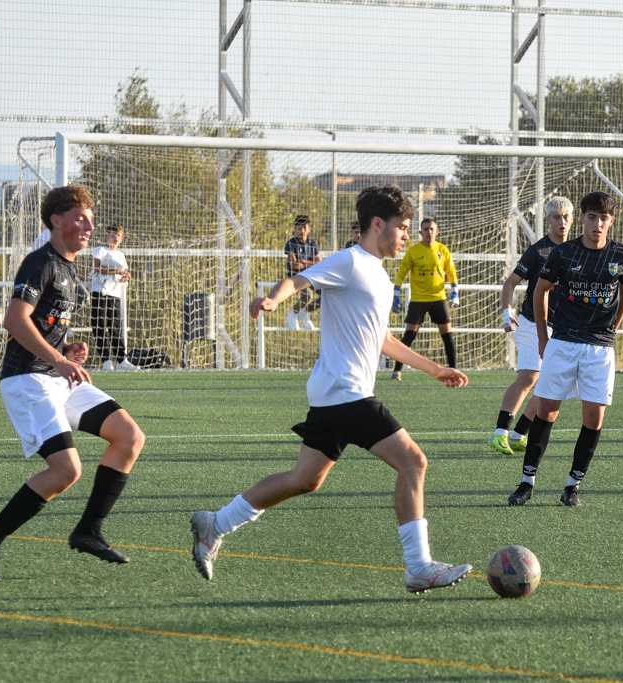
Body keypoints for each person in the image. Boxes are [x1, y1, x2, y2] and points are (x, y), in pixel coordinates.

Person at [190, 186, 472, 593]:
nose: (407, 235)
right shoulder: (350, 261)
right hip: (347, 393)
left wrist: (434, 370)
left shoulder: (376, 270)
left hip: (333, 394)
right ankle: (418, 565)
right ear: (378, 225)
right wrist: (272, 301)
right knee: (414, 463)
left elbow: (383, 339)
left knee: (305, 478)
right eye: (403, 227)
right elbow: (298, 279)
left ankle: (214, 524)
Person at [0, 185, 146, 579]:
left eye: (90, 217)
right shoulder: (40, 262)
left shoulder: (71, 270)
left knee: (129, 436)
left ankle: (88, 531)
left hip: (55, 375)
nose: (88, 225)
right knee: (66, 470)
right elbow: (15, 321)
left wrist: (69, 351)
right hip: (27, 380)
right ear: (56, 220)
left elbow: (45, 328)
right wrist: (60, 359)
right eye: (79, 217)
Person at [507, 191, 623, 508]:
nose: (598, 224)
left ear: (611, 221)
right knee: (546, 411)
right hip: (562, 343)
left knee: (594, 418)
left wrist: (613, 328)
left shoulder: (622, 256)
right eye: (592, 217)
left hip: (599, 350)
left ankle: (572, 485)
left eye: (604, 218)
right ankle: (526, 482)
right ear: (584, 218)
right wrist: (541, 335)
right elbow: (540, 291)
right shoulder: (564, 253)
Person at [488, 196, 573, 456]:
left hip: (561, 329)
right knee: (529, 376)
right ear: (547, 220)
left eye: (566, 217)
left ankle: (518, 434)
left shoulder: (576, 251)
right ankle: (500, 432)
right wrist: (506, 313)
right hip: (531, 323)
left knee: (551, 383)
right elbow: (510, 283)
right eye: (557, 217)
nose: (562, 222)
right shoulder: (538, 251)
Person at [390, 218, 459, 380]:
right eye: (425, 229)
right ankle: (397, 370)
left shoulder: (443, 250)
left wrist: (455, 290)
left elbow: (451, 271)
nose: (429, 232)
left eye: (431, 229)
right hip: (418, 300)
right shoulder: (413, 251)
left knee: (447, 336)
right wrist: (396, 292)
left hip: (439, 298)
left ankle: (454, 371)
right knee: (409, 335)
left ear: (437, 231)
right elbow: (402, 272)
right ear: (420, 233)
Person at [89, 224, 138, 371]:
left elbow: (125, 273)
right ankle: (105, 360)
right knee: (100, 326)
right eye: (111, 235)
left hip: (115, 294)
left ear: (121, 238)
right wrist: (115, 270)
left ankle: (122, 360)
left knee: (115, 327)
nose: (114, 238)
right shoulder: (100, 250)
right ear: (106, 236)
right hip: (100, 292)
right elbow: (97, 268)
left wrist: (126, 276)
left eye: (117, 235)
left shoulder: (121, 255)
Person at [283, 215, 321, 331]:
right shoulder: (291, 243)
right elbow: (294, 265)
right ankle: (292, 314)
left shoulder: (312, 243)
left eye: (304, 227)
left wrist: (303, 262)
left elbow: (319, 262)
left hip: (310, 275)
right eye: (299, 228)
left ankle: (304, 312)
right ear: (295, 229)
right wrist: (310, 262)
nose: (302, 231)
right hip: (296, 276)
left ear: (309, 229)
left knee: (326, 295)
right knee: (307, 295)